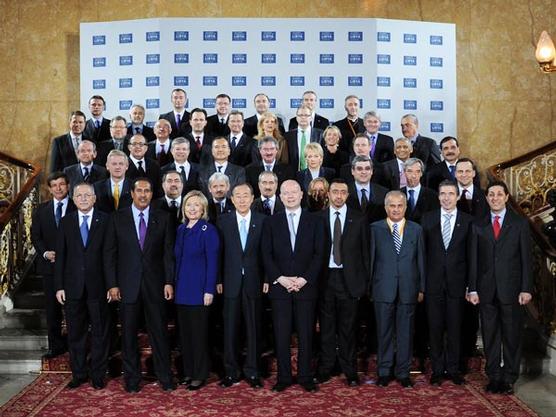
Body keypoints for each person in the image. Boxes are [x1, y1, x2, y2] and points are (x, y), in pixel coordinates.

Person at [104, 178, 176, 393]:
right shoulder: (117, 218)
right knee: (127, 335)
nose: (143, 194)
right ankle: (132, 380)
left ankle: (165, 377)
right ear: (132, 194)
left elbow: (168, 255)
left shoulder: (163, 218)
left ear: (152, 194)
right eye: (139, 191)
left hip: (156, 285)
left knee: (159, 333)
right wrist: (113, 285)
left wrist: (169, 281)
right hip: (127, 286)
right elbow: (110, 254)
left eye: (147, 190)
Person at [468, 181, 532, 395]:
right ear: (487, 199)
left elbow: (526, 259)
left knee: (512, 335)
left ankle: (509, 377)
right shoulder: (478, 224)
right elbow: (474, 260)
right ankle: (494, 376)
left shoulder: (520, 224)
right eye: (491, 195)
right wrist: (473, 288)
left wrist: (526, 288)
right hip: (486, 291)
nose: (494, 198)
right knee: (490, 335)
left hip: (512, 290)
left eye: (499, 194)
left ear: (506, 197)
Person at [261, 180, 325, 393]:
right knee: (281, 334)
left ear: (301, 194)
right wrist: (281, 278)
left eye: (293, 192)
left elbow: (319, 254)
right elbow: (266, 255)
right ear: (280, 196)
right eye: (285, 193)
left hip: (306, 287)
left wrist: (304, 279)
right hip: (280, 288)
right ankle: (284, 377)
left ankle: (306, 376)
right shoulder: (271, 222)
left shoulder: (314, 221)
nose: (290, 196)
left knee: (306, 333)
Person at [54, 183, 110, 389]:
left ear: (94, 198)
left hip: (99, 287)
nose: (84, 198)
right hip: (73, 287)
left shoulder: (105, 220)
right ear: (74, 199)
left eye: (88, 195)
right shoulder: (66, 222)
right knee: (76, 333)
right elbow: (61, 257)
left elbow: (110, 255)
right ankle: (78, 373)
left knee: (100, 333)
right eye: (79, 195)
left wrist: (112, 285)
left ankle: (98, 374)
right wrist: (59, 286)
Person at [314, 178, 369, 387]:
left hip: (350, 281)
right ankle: (326, 368)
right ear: (329, 194)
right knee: (327, 327)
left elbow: (365, 254)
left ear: (347, 195)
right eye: (335, 192)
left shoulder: (359, 218)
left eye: (342, 192)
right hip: (325, 279)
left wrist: (364, 283)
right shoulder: (317, 218)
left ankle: (350, 371)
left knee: (348, 328)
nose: (338, 195)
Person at [421, 180, 475, 386]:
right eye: (442, 193)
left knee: (454, 328)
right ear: (438, 196)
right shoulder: (427, 219)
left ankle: (452, 369)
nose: (446, 197)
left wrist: (471, 285)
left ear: (457, 196)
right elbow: (422, 255)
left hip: (457, 285)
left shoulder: (468, 221)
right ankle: (436, 369)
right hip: (433, 284)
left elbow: (472, 257)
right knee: (434, 328)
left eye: (451, 194)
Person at [370, 191, 425, 388]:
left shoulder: (416, 230)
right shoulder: (374, 229)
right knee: (383, 331)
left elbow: (420, 261)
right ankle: (384, 371)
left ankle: (403, 373)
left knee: (405, 332)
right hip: (382, 288)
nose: (395, 209)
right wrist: (370, 288)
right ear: (386, 208)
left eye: (399, 206)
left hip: (408, 289)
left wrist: (421, 288)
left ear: (405, 207)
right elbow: (371, 261)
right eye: (391, 206)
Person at [217, 183, 268, 389]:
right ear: (231, 199)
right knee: (230, 330)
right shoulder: (222, 221)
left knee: (254, 328)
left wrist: (266, 279)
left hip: (254, 283)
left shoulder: (263, 221)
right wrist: (218, 280)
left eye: (246, 196)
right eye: (237, 196)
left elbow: (267, 254)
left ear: (253, 198)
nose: (242, 199)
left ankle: (253, 371)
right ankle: (231, 372)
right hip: (230, 283)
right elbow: (217, 254)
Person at [174, 190, 220, 390]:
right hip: (181, 290)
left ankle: (200, 374)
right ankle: (188, 371)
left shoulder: (208, 229)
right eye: (188, 205)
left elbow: (213, 262)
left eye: (196, 205)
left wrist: (209, 289)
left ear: (203, 208)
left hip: (200, 290)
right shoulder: (181, 229)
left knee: (199, 335)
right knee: (185, 335)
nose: (192, 208)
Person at [31, 172, 75, 359]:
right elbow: (36, 236)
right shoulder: (41, 210)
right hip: (49, 266)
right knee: (52, 309)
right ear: (49, 189)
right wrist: (45, 252)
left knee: (74, 308)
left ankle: (75, 344)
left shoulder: (77, 207)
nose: (58, 188)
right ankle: (55, 345)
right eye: (54, 185)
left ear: (68, 186)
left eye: (61, 184)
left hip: (72, 267)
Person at [455, 157, 489, 372]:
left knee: (472, 309)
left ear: (474, 174)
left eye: (468, 171)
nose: (464, 174)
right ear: (455, 174)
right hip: (454, 260)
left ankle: (469, 349)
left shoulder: (484, 198)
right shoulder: (449, 194)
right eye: (460, 171)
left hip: (476, 259)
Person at [346, 155, 387, 224]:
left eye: (367, 169)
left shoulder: (383, 193)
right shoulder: (345, 192)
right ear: (352, 171)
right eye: (359, 169)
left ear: (372, 171)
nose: (364, 172)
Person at [401, 158, 439, 224]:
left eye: (417, 171)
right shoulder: (398, 194)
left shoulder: (433, 196)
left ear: (421, 173)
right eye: (410, 171)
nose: (414, 175)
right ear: (404, 172)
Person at [285, 105, 324, 171]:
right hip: (294, 174)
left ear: (311, 118)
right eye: (300, 115)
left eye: (306, 115)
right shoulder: (288, 136)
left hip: (315, 174)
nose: (303, 117)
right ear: (296, 117)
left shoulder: (320, 134)